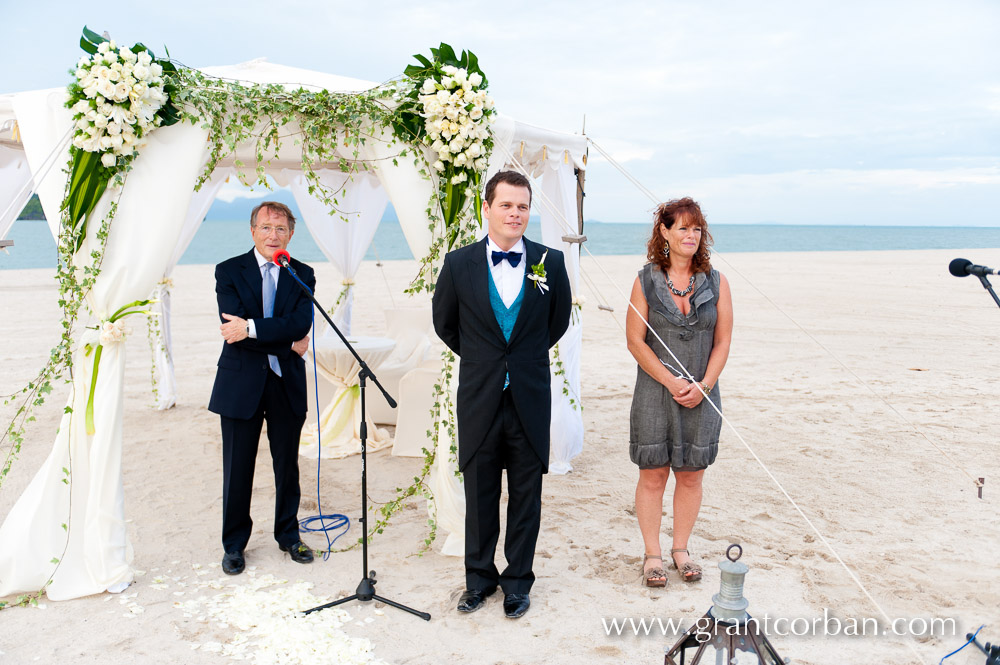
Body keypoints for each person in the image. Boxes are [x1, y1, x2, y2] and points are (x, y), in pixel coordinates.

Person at [432, 170, 572, 619]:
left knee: (527, 496)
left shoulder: (550, 262)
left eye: (523, 206)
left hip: (529, 398)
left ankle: (517, 582)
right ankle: (478, 581)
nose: (516, 213)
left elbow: (556, 323)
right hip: (480, 398)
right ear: (486, 208)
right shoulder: (458, 264)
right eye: (507, 205)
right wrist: (487, 360)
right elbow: (445, 324)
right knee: (480, 495)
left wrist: (520, 360)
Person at [626, 197, 733, 588]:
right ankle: (653, 554)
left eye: (696, 228)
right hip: (655, 393)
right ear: (665, 232)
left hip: (702, 394)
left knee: (691, 475)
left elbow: (723, 342)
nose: (691, 235)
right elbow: (635, 342)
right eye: (683, 228)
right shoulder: (644, 280)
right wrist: (671, 382)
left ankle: (681, 549)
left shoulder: (717, 282)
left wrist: (703, 386)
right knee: (653, 473)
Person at [208, 201, 316, 575]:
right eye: (267, 228)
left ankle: (288, 535)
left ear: (291, 233)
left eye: (281, 229)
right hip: (241, 383)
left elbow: (299, 323)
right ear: (253, 230)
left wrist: (253, 329)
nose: (274, 235)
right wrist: (285, 341)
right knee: (238, 468)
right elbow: (231, 330)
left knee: (288, 466)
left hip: (286, 383)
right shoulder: (228, 271)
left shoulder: (303, 273)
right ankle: (234, 545)